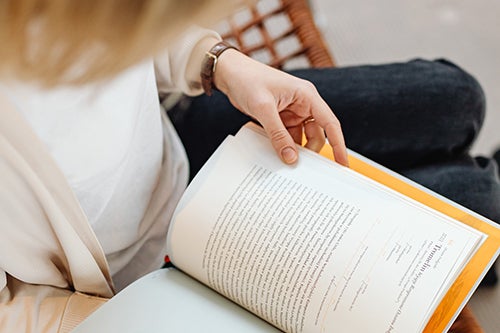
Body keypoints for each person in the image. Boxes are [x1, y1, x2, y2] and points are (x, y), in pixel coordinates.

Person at [0, 0, 498, 332]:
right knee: (475, 201)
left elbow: (137, 26)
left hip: (183, 140)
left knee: (454, 98)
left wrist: (217, 60)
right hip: (130, 286)